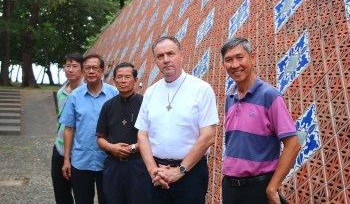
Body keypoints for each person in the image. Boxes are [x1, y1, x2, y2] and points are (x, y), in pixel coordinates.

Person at [135, 36, 219, 204]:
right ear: (156, 61)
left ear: (181, 55)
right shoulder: (151, 92)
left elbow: (208, 136)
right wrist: (153, 170)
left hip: (190, 173)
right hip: (157, 173)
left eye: (170, 54)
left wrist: (180, 170)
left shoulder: (201, 89)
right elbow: (142, 135)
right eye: (160, 56)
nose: (166, 60)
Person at [220, 37, 301, 204]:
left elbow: (293, 144)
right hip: (230, 188)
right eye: (229, 60)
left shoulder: (269, 95)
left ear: (252, 57)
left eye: (240, 57)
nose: (235, 65)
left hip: (258, 188)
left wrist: (272, 188)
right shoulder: (230, 97)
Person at [59, 54, 119, 204]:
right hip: (81, 161)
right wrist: (67, 160)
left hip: (107, 160)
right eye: (87, 68)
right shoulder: (74, 96)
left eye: (95, 68)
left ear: (102, 70)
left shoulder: (114, 94)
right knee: (82, 200)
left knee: (109, 200)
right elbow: (69, 129)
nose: (91, 71)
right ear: (83, 71)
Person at [96, 62, 148, 204]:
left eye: (127, 77)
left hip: (137, 164)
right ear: (114, 80)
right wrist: (112, 148)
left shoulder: (145, 104)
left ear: (136, 80)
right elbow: (100, 138)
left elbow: (152, 137)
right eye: (119, 77)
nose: (123, 81)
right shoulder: (108, 106)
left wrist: (132, 148)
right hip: (113, 165)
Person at [51, 53, 84, 204]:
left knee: (81, 193)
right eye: (67, 66)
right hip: (59, 148)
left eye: (75, 66)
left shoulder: (87, 92)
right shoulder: (60, 92)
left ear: (82, 70)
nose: (70, 70)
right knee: (61, 192)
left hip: (79, 151)